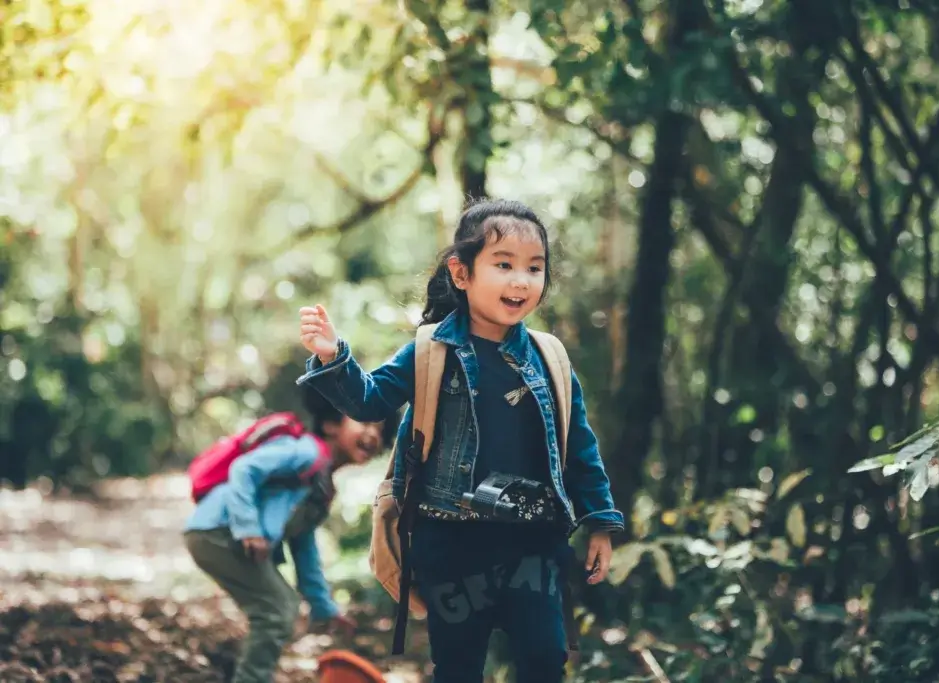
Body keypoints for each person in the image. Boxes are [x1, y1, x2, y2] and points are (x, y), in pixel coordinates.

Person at [296, 198, 624, 683]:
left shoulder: (549, 358)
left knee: (544, 659)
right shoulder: (430, 351)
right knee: (458, 666)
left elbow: (580, 446)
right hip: (452, 544)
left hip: (532, 545)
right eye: (504, 264)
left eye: (535, 268)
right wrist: (332, 357)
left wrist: (600, 522)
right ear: (462, 272)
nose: (521, 280)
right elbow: (369, 401)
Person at [183, 390, 396, 683]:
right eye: (364, 423)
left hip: (218, 534)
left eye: (380, 431)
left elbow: (304, 548)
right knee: (277, 609)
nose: (372, 435)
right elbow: (244, 470)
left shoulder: (321, 487)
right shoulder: (305, 451)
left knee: (276, 609)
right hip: (216, 530)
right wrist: (249, 529)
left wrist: (324, 607)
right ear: (332, 424)